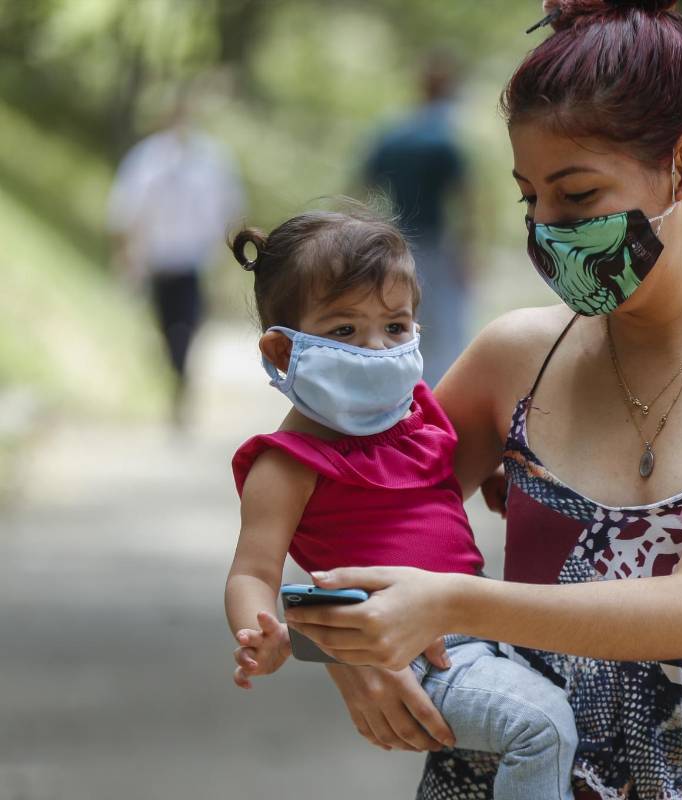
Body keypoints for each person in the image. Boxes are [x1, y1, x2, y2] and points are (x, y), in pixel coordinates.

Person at [287, 2, 682, 797]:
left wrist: (445, 602)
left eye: (577, 197)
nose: (548, 230)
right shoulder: (514, 357)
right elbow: (322, 492)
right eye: (530, 200)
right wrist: (347, 648)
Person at [223, 208, 578, 800]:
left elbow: (433, 485)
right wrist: (260, 631)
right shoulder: (286, 464)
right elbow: (252, 572)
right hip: (416, 656)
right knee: (540, 728)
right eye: (344, 331)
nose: (376, 348)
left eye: (394, 327)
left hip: (484, 628)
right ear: (283, 351)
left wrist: (493, 474)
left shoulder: (416, 413)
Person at [107, 94, 243, 425]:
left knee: (187, 323)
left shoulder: (212, 160)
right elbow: (126, 210)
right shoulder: (146, 159)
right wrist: (126, 254)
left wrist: (227, 260)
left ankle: (181, 372)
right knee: (167, 324)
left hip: (193, 260)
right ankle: (176, 371)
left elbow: (230, 210)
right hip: (158, 259)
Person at [361, 51, 472, 387]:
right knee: (444, 328)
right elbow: (465, 199)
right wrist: (467, 251)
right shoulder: (444, 139)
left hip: (395, 242)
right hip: (435, 243)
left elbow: (364, 188)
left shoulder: (393, 135)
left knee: (399, 319)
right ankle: (438, 396)